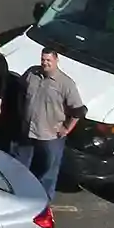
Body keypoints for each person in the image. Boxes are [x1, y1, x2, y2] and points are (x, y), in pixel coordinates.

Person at [14, 48, 85, 195]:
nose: (45, 63)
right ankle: (18, 194)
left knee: (48, 172)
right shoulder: (32, 73)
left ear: (56, 60)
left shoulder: (65, 84)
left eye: (48, 60)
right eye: (43, 59)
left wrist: (66, 128)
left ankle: (43, 200)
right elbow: (20, 90)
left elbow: (78, 110)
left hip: (50, 136)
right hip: (28, 130)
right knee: (20, 166)